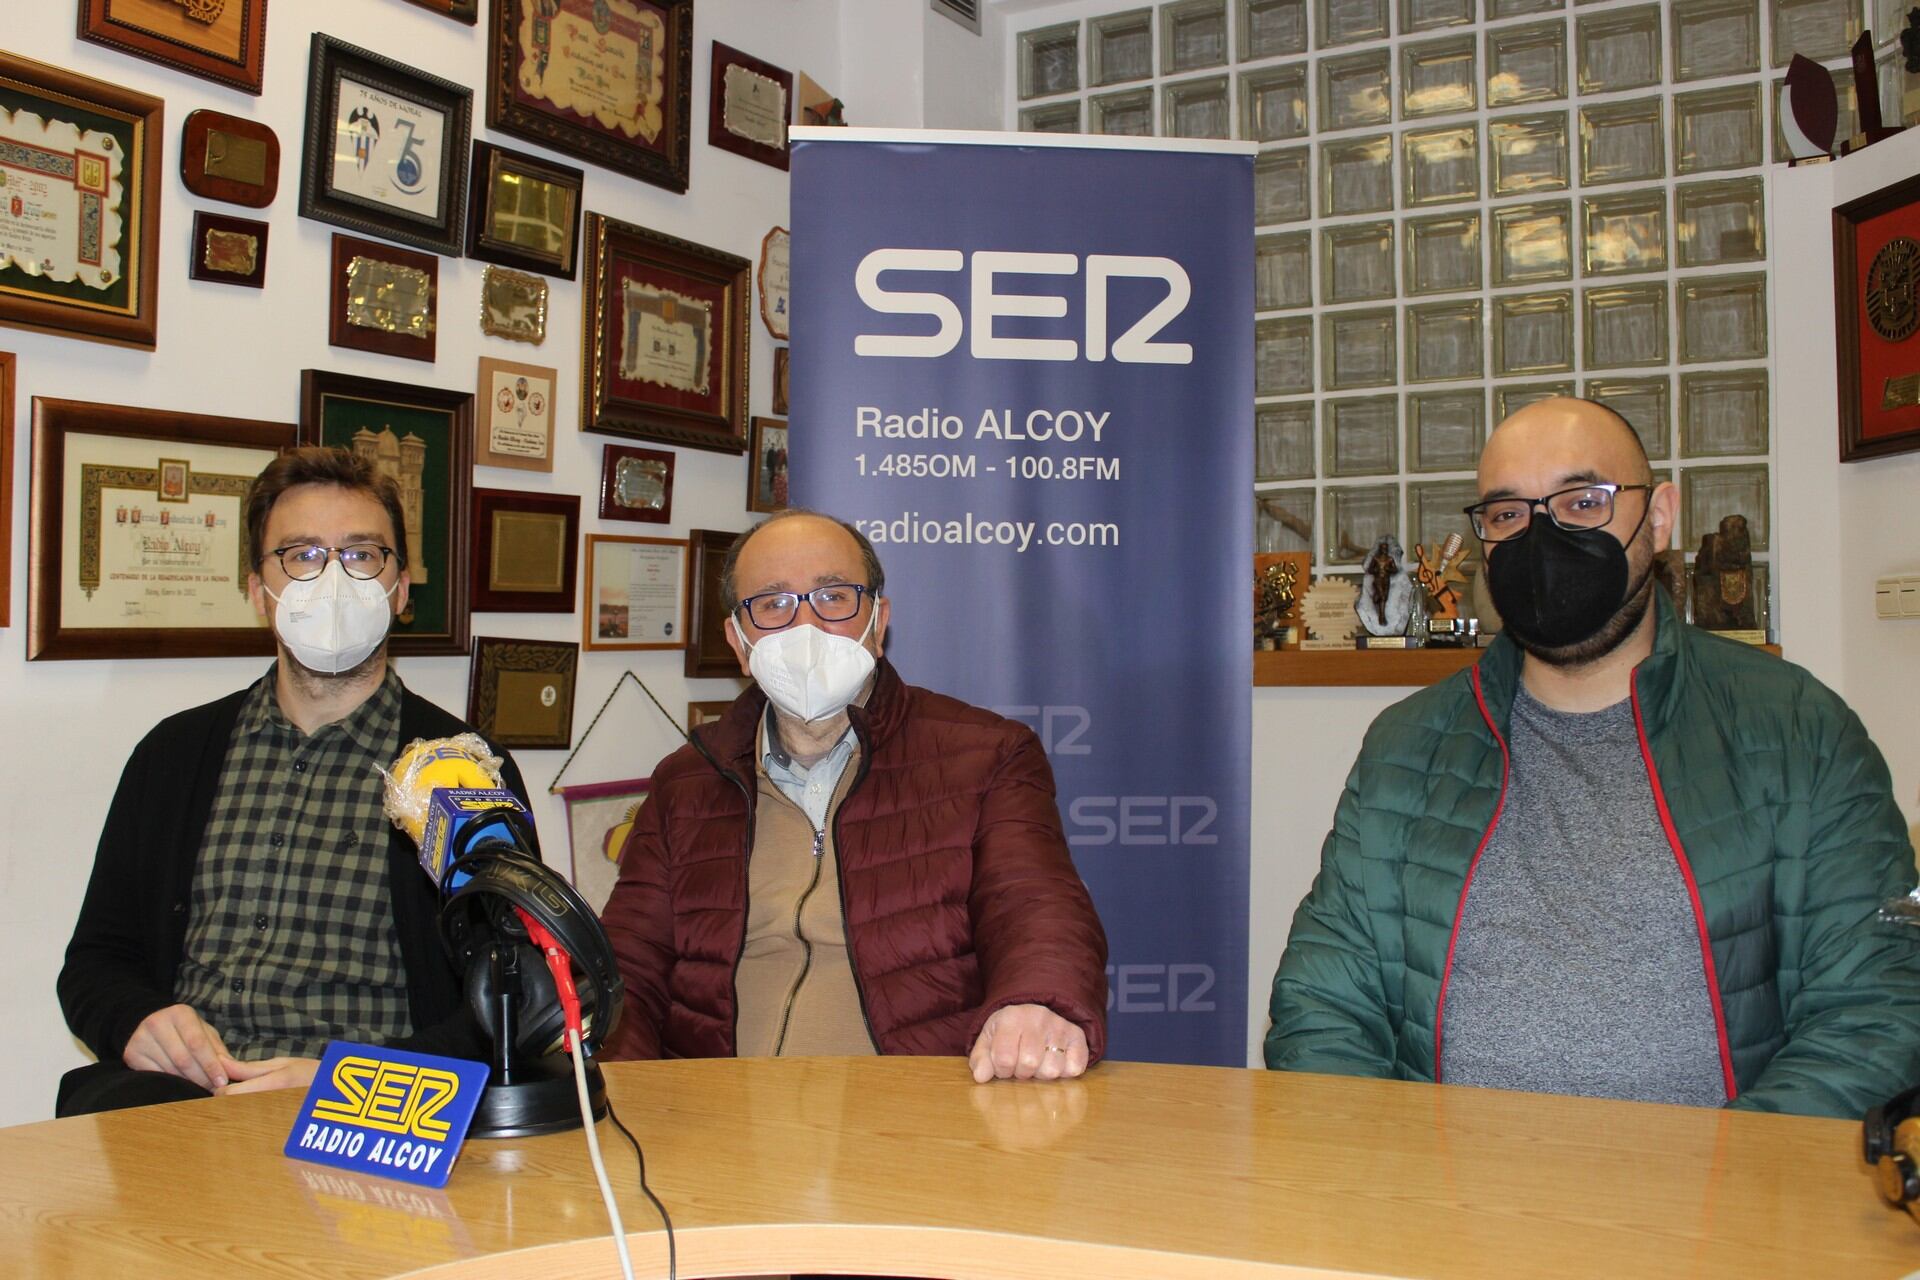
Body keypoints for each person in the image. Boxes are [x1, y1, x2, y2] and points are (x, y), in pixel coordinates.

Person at [1266, 397, 1920, 1118]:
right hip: (1446, 1213)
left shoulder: (1799, 733)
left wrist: (1732, 1194)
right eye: (1508, 514)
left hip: (1718, 1210)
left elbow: (1874, 1013)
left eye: (1583, 501)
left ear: (1659, 516)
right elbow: (1323, 1007)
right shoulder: (1406, 748)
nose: (1542, 537)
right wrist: (1394, 1182)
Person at [56, 447, 531, 1116]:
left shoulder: (461, 771)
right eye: (302, 556)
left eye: (361, 554)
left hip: (365, 1120)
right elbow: (96, 963)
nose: (332, 579)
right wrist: (139, 1021)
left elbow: (511, 1000)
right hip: (184, 1109)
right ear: (258, 589)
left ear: (400, 590)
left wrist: (351, 1079)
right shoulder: (173, 757)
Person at [599, 509, 1108, 1082]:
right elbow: (627, 966)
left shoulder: (987, 754)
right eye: (773, 604)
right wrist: (621, 1090)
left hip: (916, 1118)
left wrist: (1036, 1002)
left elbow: (1035, 906)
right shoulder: (684, 782)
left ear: (878, 621)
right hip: (721, 1121)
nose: (806, 628)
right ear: (738, 644)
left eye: (833, 597)